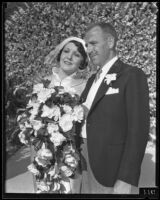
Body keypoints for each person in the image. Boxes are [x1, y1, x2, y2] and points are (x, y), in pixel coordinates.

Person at [79, 22, 150, 194]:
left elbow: (138, 130)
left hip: (108, 167)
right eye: (87, 45)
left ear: (110, 42)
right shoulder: (91, 80)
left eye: (93, 43)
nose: (88, 50)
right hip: (82, 162)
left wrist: (126, 177)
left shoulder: (131, 75)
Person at [31, 37, 89, 193]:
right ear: (60, 53)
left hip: (70, 157)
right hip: (43, 153)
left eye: (77, 55)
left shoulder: (85, 87)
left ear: (83, 61)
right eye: (67, 51)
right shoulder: (42, 83)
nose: (69, 57)